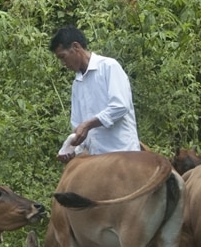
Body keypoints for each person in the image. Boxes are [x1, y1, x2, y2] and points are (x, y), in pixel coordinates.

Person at [50, 25, 140, 161]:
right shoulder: (77, 83)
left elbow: (120, 106)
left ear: (76, 47)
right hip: (96, 159)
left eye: (63, 57)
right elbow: (78, 125)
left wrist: (88, 125)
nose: (63, 63)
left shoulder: (109, 67)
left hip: (122, 153)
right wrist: (73, 149)